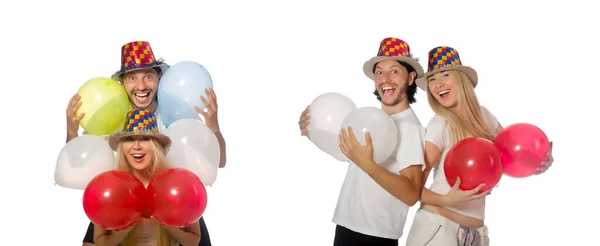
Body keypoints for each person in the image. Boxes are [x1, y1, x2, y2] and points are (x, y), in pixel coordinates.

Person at [68, 41, 225, 246]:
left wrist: (213, 126)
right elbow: (80, 166)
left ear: (159, 79)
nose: (141, 86)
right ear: (123, 83)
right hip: (121, 196)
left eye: (148, 76)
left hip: (173, 196)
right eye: (132, 78)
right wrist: (71, 131)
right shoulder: (110, 115)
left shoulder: (177, 112)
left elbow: (218, 162)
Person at [404, 46, 554, 246]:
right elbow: (411, 188)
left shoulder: (483, 116)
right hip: (438, 230)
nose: (438, 84)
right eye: (432, 79)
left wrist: (538, 162)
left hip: (476, 235)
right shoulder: (440, 123)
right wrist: (448, 200)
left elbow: (511, 156)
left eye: (445, 75)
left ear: (461, 79)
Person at [298, 37, 426, 246]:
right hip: (347, 227)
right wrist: (312, 130)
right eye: (379, 72)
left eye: (394, 71)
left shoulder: (410, 127)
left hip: (375, 236)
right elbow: (348, 154)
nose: (385, 78)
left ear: (410, 78)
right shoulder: (371, 119)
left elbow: (411, 194)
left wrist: (368, 164)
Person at [93, 108, 201, 246]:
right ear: (122, 147)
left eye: (144, 138)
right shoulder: (111, 187)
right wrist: (123, 231)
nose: (136, 146)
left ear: (155, 145)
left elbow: (194, 240)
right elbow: (100, 242)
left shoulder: (176, 185)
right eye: (129, 139)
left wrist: (169, 227)